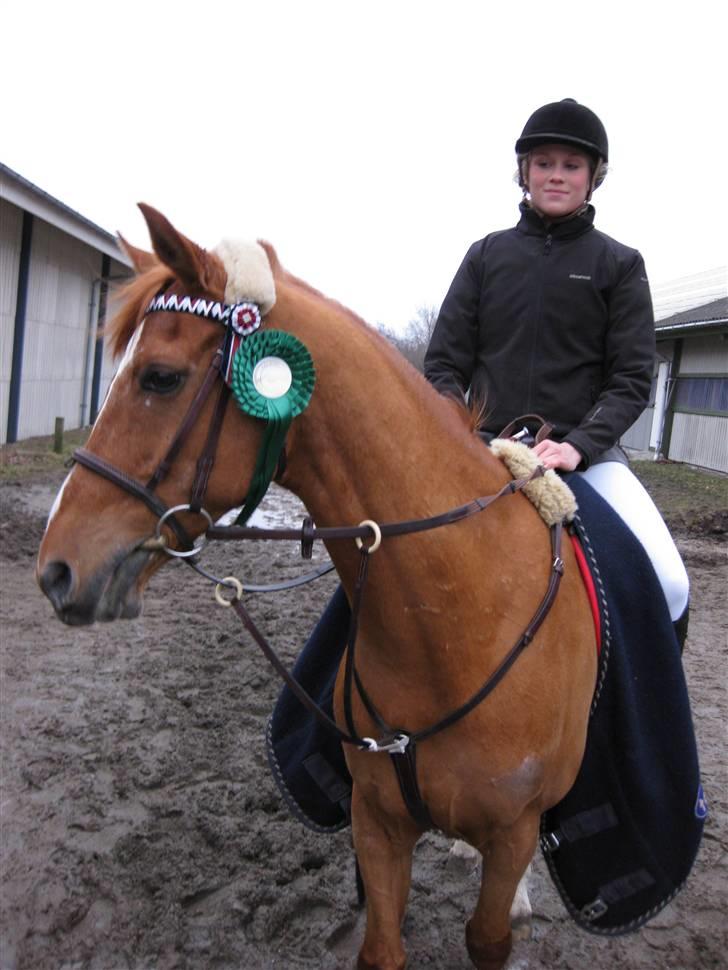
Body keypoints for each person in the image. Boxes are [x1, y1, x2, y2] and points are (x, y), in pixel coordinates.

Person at [424, 98, 689, 641]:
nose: (556, 175)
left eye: (571, 165)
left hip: (585, 459)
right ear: (524, 172)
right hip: (486, 453)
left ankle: (638, 718)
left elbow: (632, 379)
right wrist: (464, 437)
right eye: (544, 163)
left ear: (593, 178)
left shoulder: (620, 264)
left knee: (670, 582)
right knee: (384, 565)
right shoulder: (484, 257)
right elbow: (445, 364)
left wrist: (578, 446)